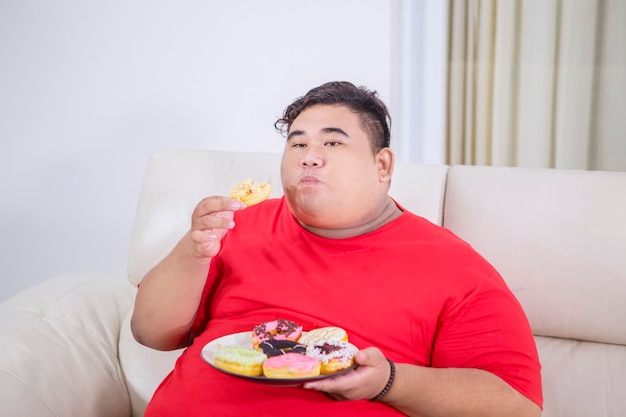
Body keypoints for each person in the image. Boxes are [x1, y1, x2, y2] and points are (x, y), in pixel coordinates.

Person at [131, 81, 543, 417]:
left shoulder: (453, 266)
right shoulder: (236, 224)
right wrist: (194, 250)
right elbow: (150, 333)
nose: (309, 158)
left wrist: (389, 383)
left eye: (332, 144)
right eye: (297, 144)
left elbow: (516, 404)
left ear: (382, 166)